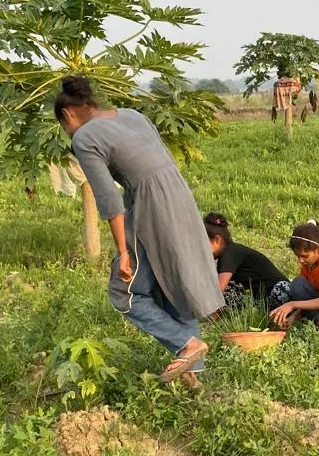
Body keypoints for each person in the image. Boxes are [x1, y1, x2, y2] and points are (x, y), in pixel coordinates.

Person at [56, 76, 223, 386]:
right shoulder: (133, 115)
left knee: (124, 292)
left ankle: (186, 344)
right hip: (179, 196)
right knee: (174, 281)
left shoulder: (84, 137)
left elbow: (108, 198)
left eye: (65, 128)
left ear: (68, 114)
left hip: (150, 203)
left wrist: (122, 252)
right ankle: (194, 381)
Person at [203, 212, 289, 311]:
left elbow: (218, 291)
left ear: (217, 240)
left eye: (203, 245)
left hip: (280, 292)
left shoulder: (230, 252)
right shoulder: (228, 254)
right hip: (261, 300)